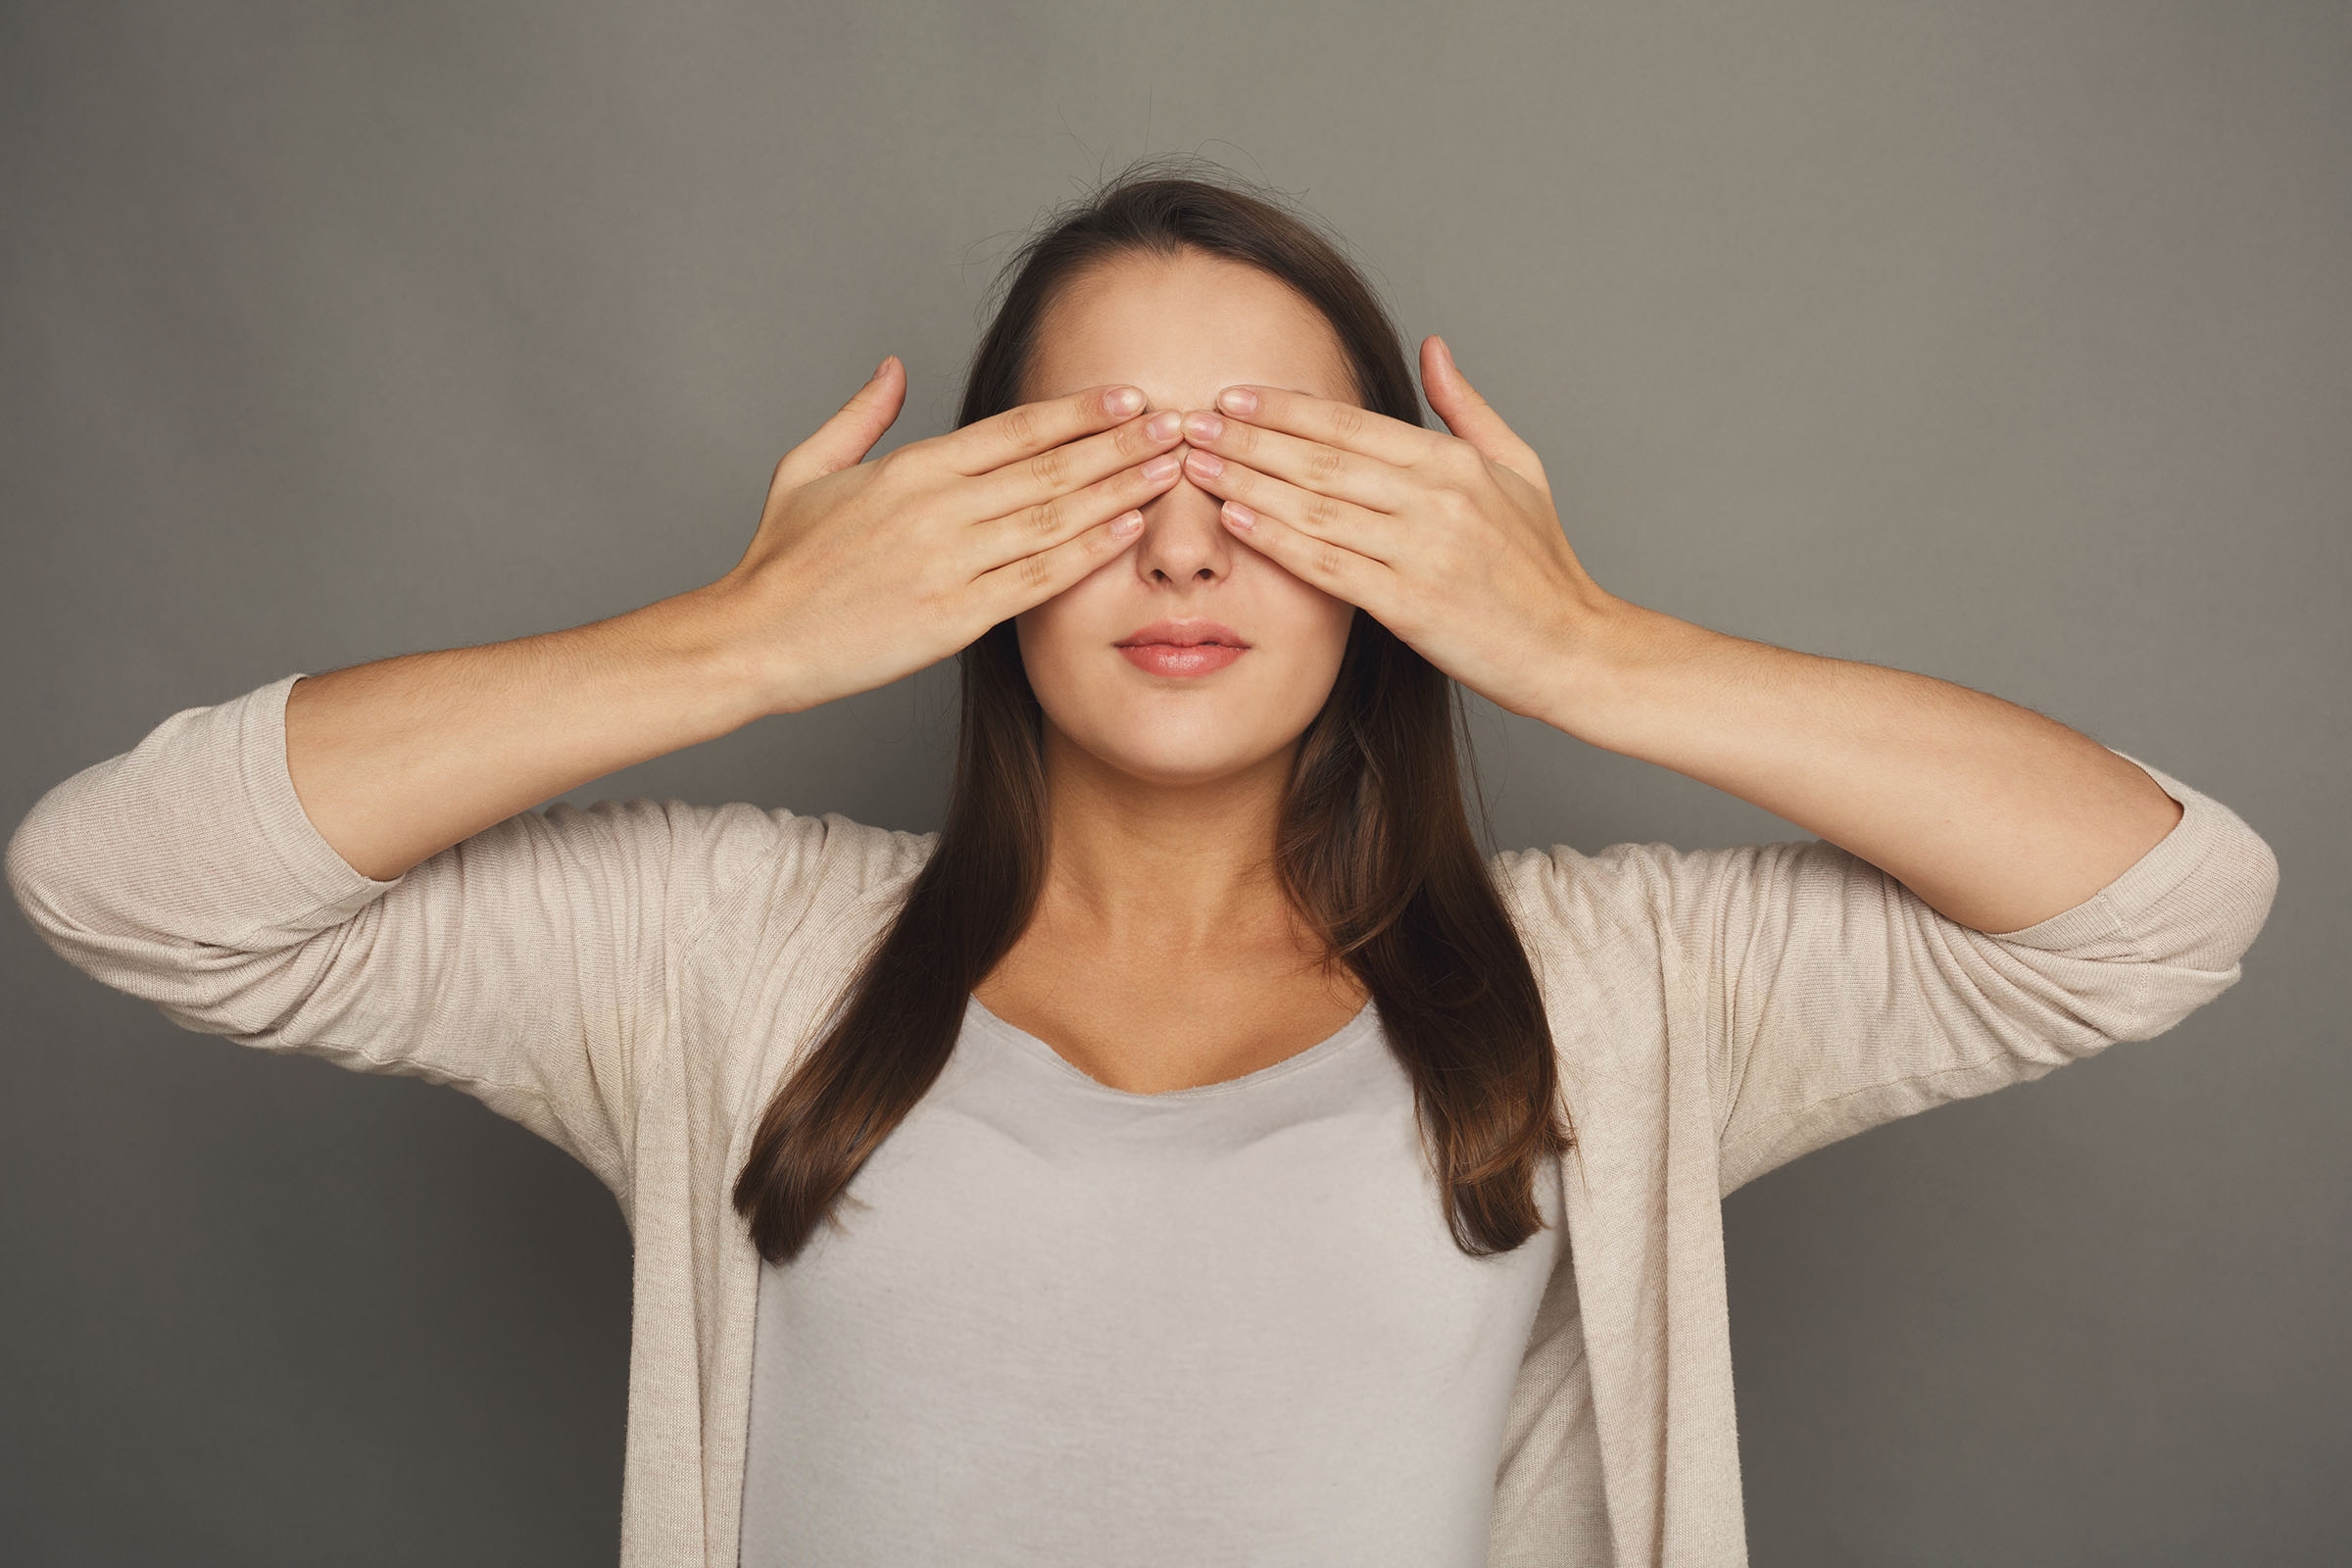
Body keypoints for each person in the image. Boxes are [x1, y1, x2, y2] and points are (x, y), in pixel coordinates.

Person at [4, 165, 2280, 1568]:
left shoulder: (1607, 985)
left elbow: (2158, 904)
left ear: (1398, 542)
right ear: (967, 540)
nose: (1186, 538)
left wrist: (1595, 648)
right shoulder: (723, 947)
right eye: (1097, 473)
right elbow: (123, 879)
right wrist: (742, 637)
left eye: (1277, 474)